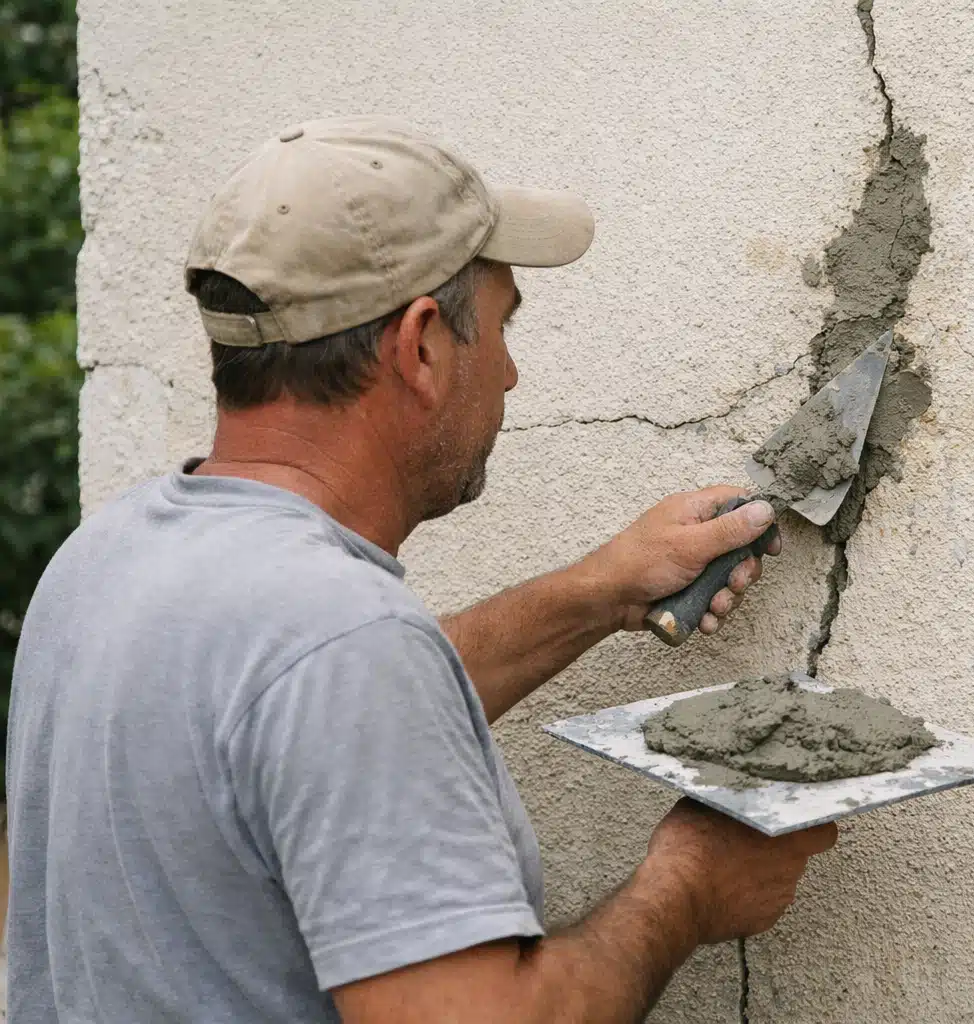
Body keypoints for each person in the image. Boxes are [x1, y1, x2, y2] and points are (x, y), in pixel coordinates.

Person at [6, 116, 837, 1023]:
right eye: (503, 327)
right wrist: (687, 890)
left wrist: (599, 590)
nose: (512, 375)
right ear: (423, 347)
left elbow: (300, 730)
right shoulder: (342, 643)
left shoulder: (107, 555)